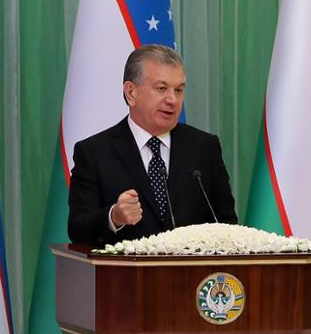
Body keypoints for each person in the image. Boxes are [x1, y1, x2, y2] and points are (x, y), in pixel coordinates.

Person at [67, 45, 237, 246]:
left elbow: (227, 225)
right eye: (161, 88)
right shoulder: (94, 152)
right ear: (131, 92)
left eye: (179, 90)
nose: (172, 100)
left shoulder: (204, 148)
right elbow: (77, 230)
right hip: (125, 267)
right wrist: (114, 217)